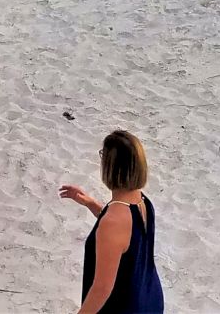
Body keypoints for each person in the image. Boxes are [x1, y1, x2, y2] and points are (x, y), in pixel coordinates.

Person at [61, 131, 165, 314]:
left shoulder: (113, 222)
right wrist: (90, 204)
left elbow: (102, 289)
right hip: (149, 297)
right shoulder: (142, 201)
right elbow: (127, 236)